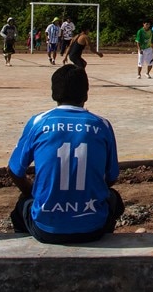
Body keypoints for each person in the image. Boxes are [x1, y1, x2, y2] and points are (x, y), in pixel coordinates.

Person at [8, 64, 123, 244]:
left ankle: (23, 250)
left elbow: (15, 171)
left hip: (46, 229)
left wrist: (30, 191)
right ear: (86, 94)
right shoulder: (102, 125)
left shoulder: (38, 122)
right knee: (114, 199)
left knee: (21, 207)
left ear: (54, 93)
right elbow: (112, 177)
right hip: (93, 230)